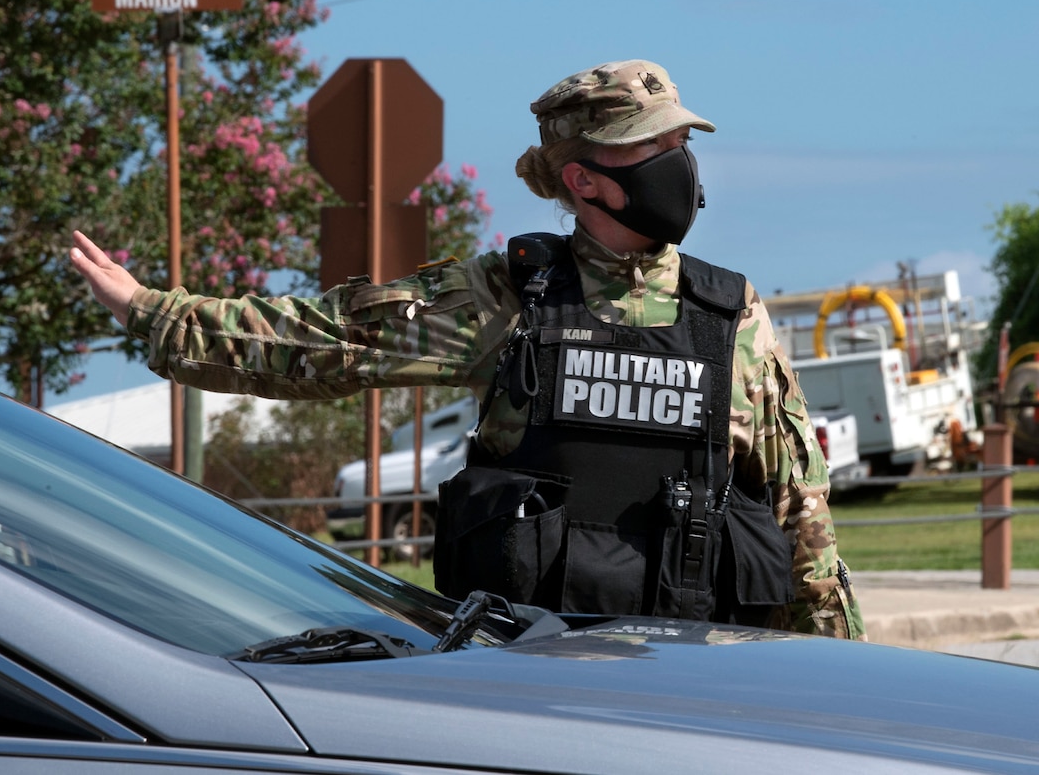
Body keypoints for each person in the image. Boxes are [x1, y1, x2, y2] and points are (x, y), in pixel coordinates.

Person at [70, 58, 866, 639]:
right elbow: (330, 341)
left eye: (678, 142)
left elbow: (805, 523)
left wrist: (842, 681)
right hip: (531, 677)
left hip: (697, 676)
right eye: (647, 147)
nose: (676, 163)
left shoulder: (733, 317)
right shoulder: (510, 297)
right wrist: (154, 311)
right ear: (582, 181)